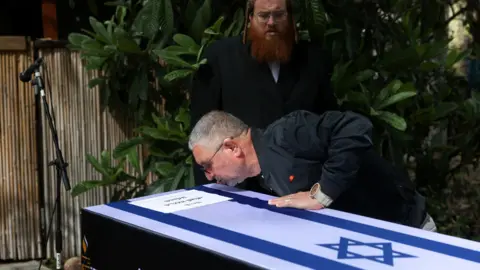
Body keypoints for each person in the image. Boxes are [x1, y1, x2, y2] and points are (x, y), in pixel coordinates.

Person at [188, 110, 437, 231]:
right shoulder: (261, 174)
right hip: (366, 242)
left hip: (407, 232)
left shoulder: (287, 134)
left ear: (232, 147)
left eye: (207, 165)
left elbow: (355, 127)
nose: (208, 175)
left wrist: (320, 193)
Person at [190, 0, 339, 191]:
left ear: (290, 17)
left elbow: (329, 124)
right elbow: (202, 131)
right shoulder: (220, 58)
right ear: (250, 18)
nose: (271, 22)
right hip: (239, 186)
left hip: (303, 187)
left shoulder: (313, 59)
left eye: (278, 15)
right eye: (263, 16)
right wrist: (209, 194)